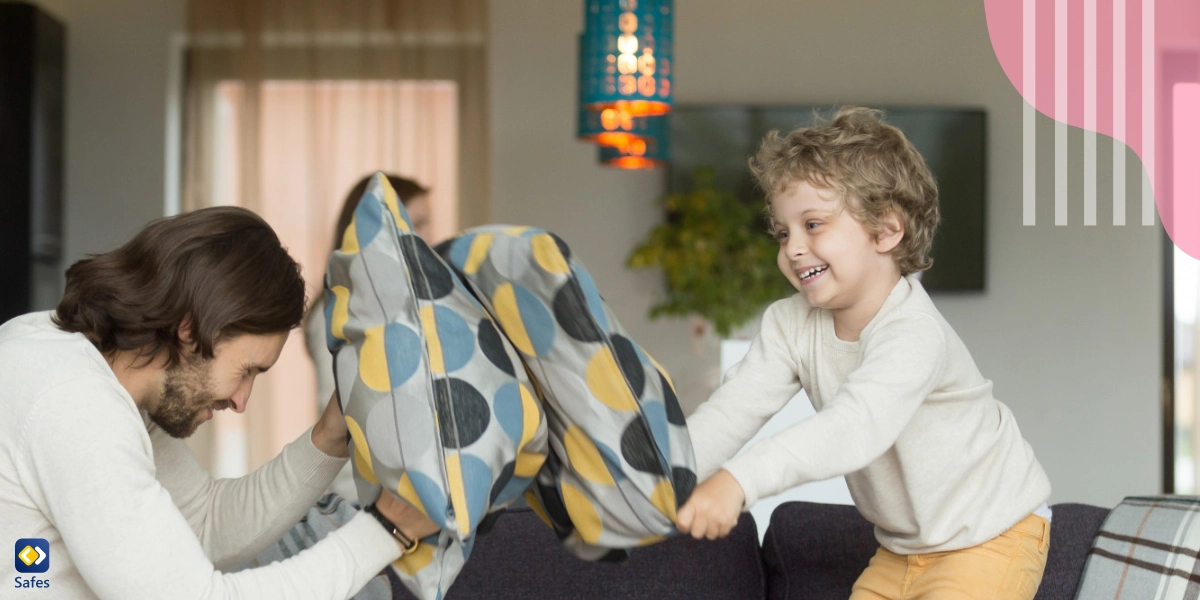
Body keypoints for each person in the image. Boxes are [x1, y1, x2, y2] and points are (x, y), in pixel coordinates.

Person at [677, 107, 1053, 599]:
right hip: (899, 551)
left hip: (990, 538)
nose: (792, 248)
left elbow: (853, 427)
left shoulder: (914, 332)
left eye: (813, 224)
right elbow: (731, 412)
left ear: (886, 231)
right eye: (784, 231)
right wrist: (666, 475)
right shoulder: (789, 324)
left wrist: (738, 482)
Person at [0, 206, 438, 599]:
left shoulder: (99, 369)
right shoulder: (73, 404)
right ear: (190, 329)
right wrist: (386, 530)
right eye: (246, 370)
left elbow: (206, 524)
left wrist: (328, 438)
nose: (242, 400)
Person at [304, 173, 431, 501]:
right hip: (364, 502)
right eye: (416, 224)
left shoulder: (403, 304)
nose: (428, 238)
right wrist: (362, 512)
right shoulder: (339, 313)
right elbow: (341, 416)